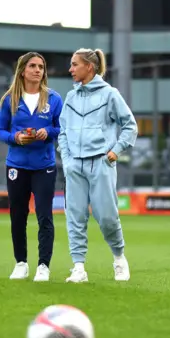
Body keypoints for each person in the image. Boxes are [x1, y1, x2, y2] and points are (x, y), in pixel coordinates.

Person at [58, 48, 138, 283]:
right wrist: (67, 159)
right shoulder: (70, 97)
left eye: (74, 64)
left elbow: (130, 125)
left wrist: (115, 151)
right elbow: (63, 131)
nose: (70, 69)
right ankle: (79, 268)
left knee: (107, 217)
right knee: (75, 216)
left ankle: (119, 258)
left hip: (101, 164)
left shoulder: (110, 94)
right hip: (75, 166)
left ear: (89, 67)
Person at [0, 52, 63, 282]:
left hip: (44, 165)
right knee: (18, 215)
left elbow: (61, 128)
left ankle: (43, 265)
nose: (38, 70)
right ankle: (21, 263)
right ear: (22, 70)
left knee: (44, 216)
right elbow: (0, 132)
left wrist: (48, 132)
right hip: (17, 165)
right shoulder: (9, 100)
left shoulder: (54, 99)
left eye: (41, 67)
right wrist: (16, 138)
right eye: (33, 66)